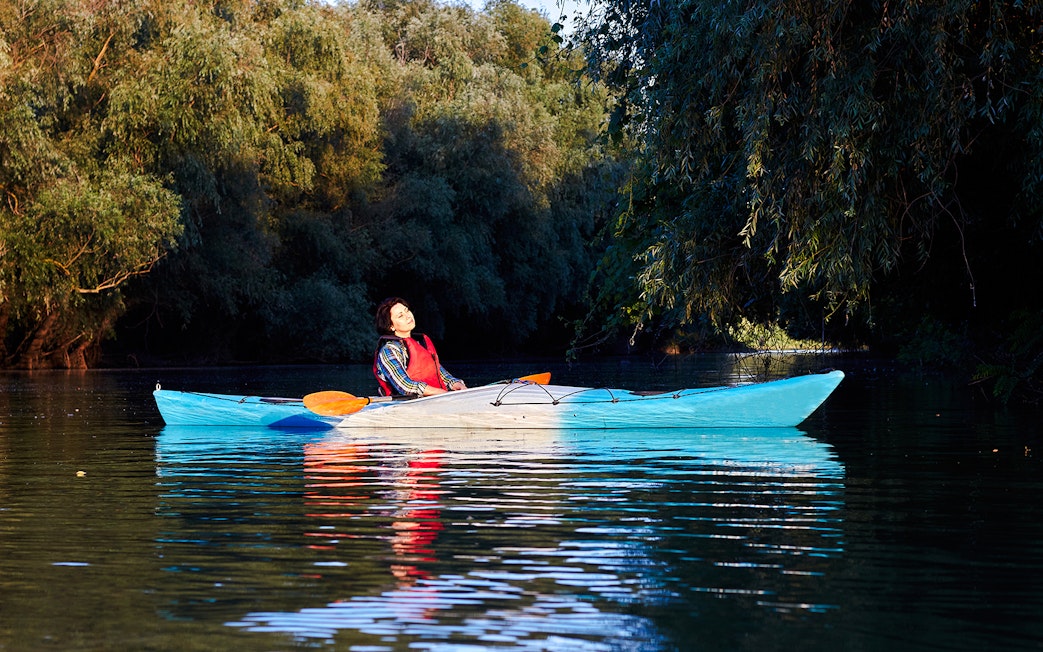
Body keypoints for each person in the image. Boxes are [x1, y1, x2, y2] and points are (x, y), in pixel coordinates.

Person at [372, 297, 467, 397]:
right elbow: (405, 385)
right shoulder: (388, 351)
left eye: (407, 310)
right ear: (391, 326)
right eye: (400, 316)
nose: (408, 316)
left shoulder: (421, 344)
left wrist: (458, 385)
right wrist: (442, 393)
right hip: (405, 405)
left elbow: (442, 375)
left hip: (435, 398)